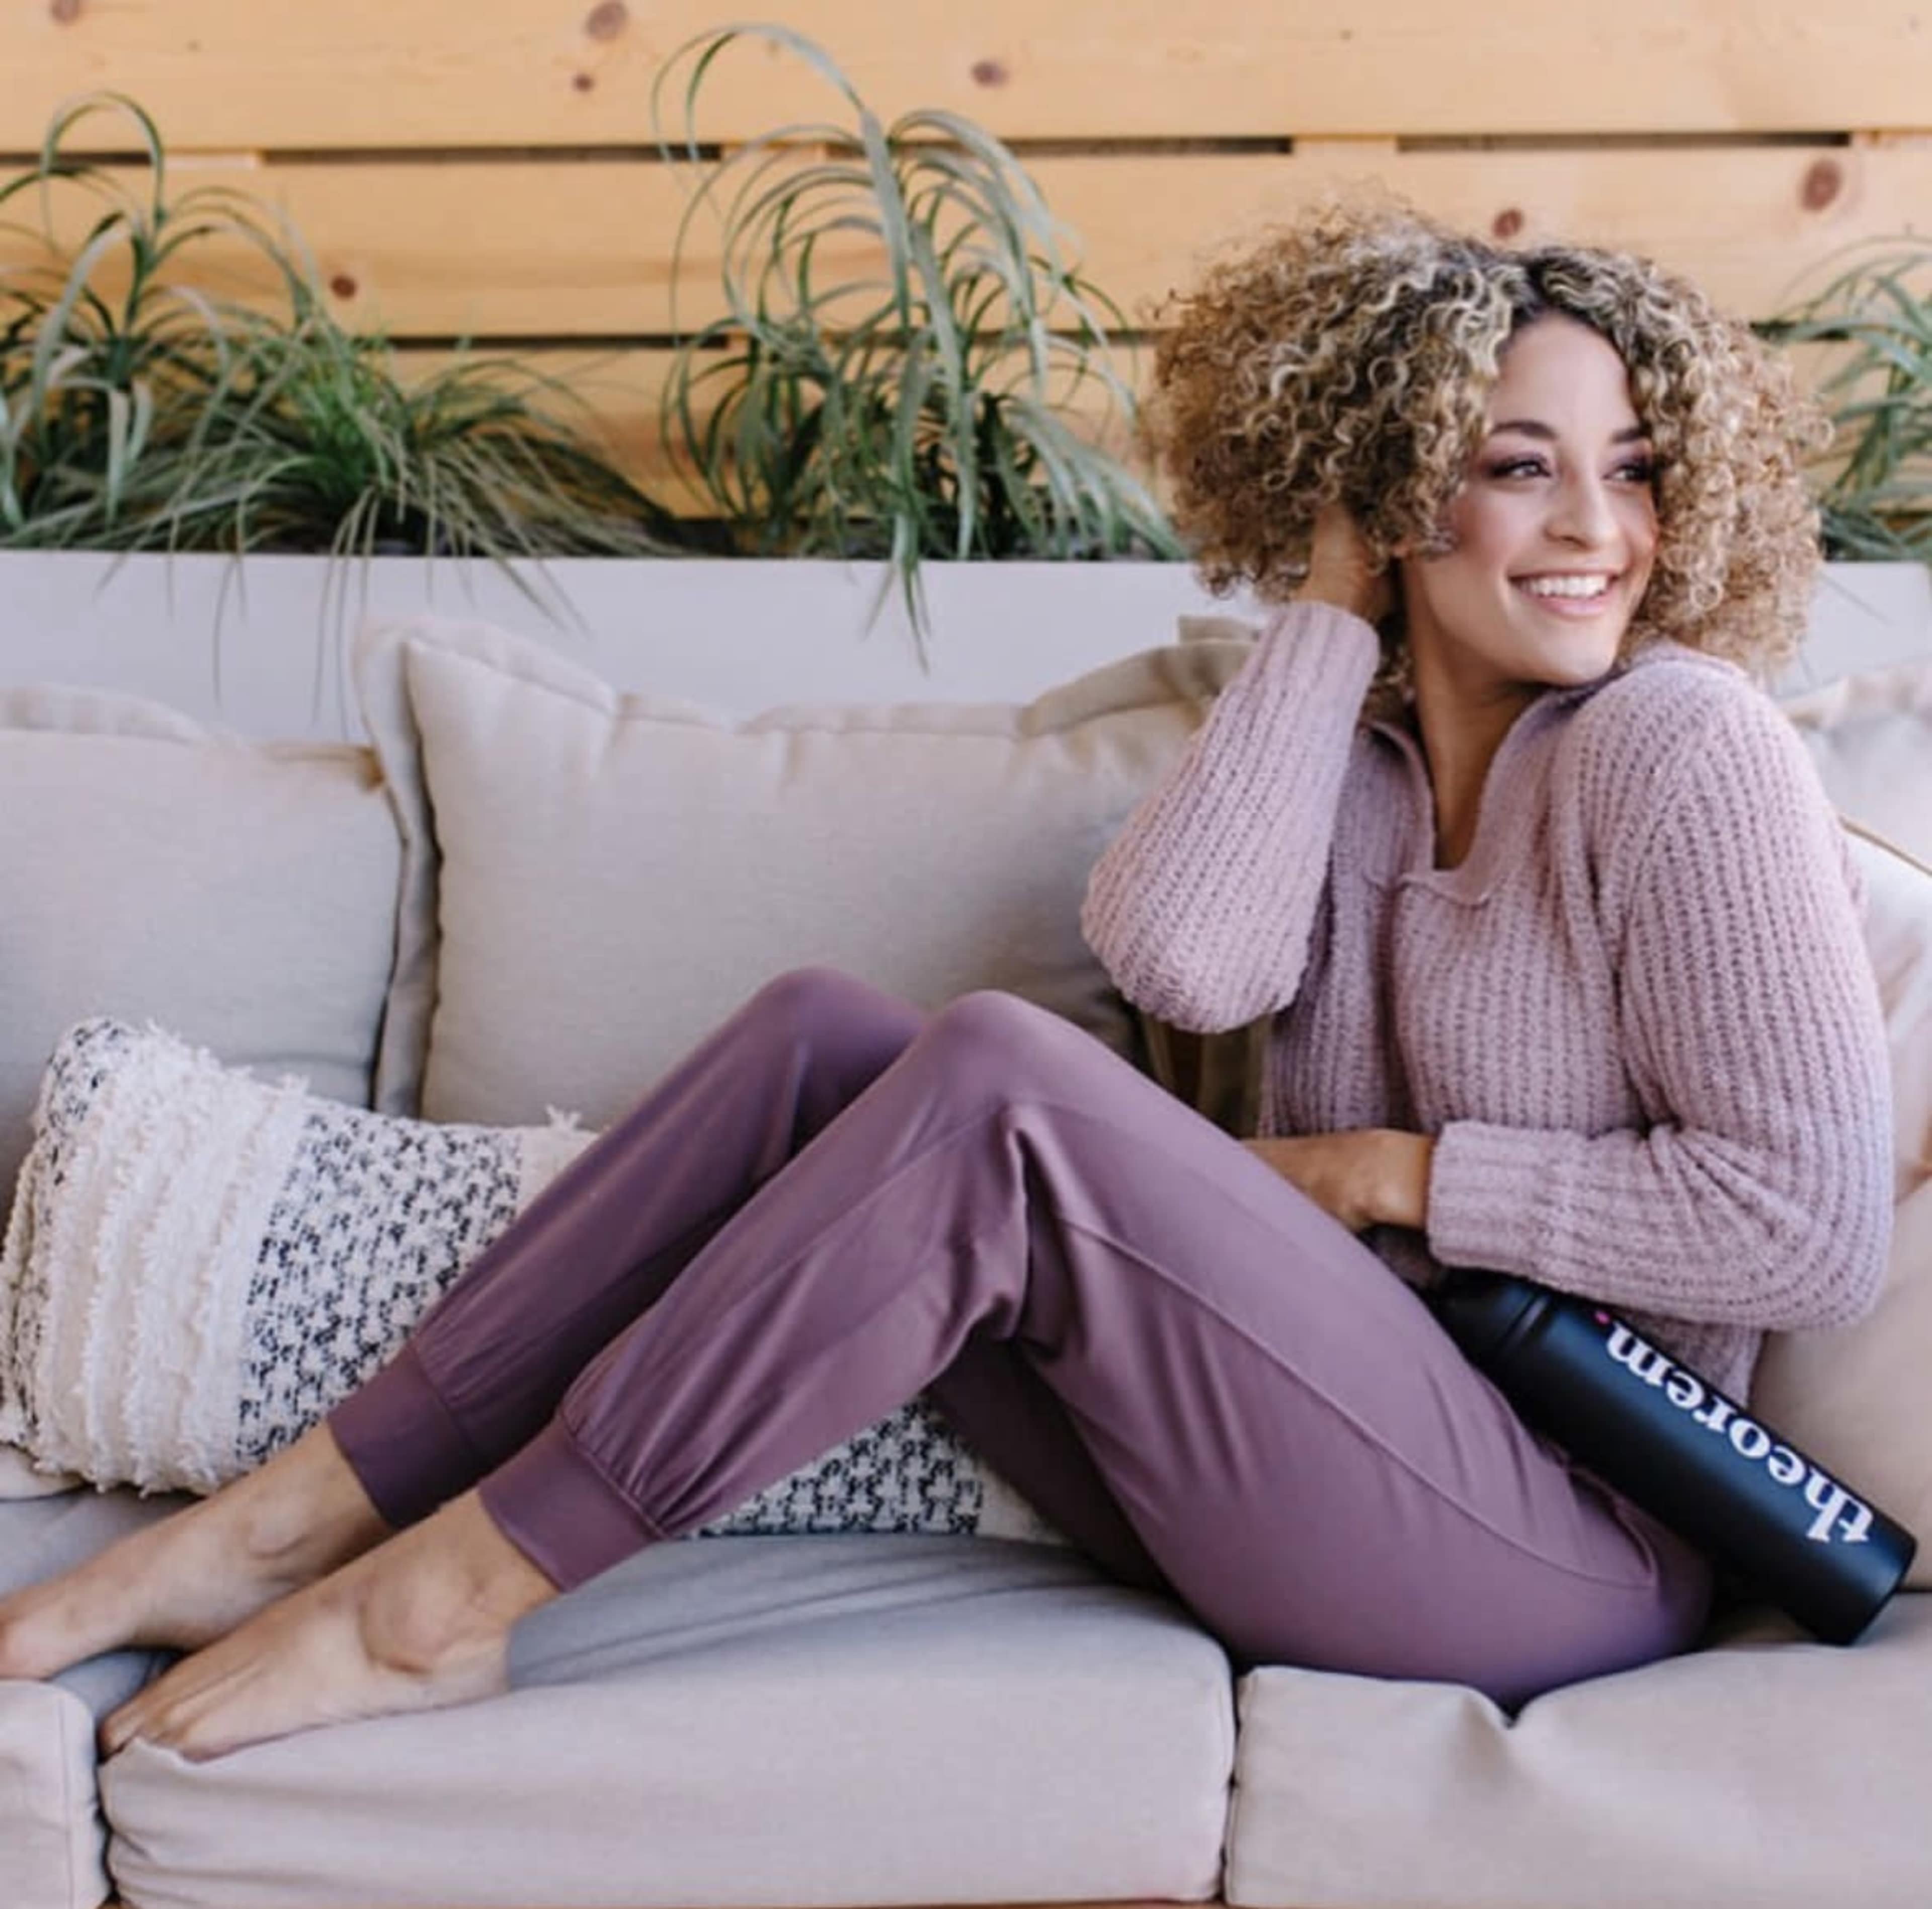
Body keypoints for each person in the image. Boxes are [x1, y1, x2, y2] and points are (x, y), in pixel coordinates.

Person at [0, 203, 1893, 1761]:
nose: (1597, 531)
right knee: (824, 1040)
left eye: (1635, 472)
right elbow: (1188, 960)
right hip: (1306, 1466)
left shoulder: (1683, 744)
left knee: (997, 1079)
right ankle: (301, 1511)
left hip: (1566, 1539)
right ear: (1397, 494)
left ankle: (447, 1604)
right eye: (1516, 468)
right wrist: (1330, 614)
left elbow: (1806, 1227)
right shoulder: (1361, 755)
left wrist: (1391, 1173)